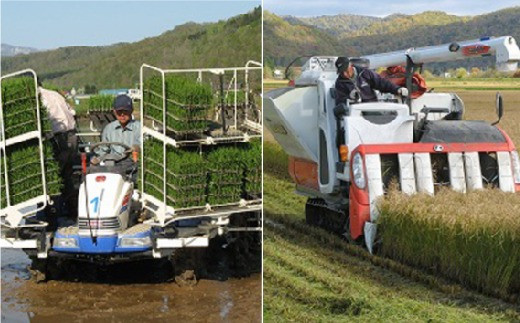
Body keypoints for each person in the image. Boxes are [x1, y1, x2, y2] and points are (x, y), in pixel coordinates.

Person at [38, 82, 79, 220]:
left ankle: (52, 216)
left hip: (59, 138)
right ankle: (73, 212)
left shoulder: (38, 98)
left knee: (53, 176)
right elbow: (73, 112)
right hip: (72, 135)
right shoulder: (54, 94)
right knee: (68, 173)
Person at [334, 57, 409, 105]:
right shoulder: (340, 83)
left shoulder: (365, 73)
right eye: (341, 72)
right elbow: (339, 102)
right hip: (354, 113)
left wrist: (397, 89)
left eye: (346, 70)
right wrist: (349, 97)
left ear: (351, 65)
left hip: (372, 107)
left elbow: (381, 83)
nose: (344, 74)